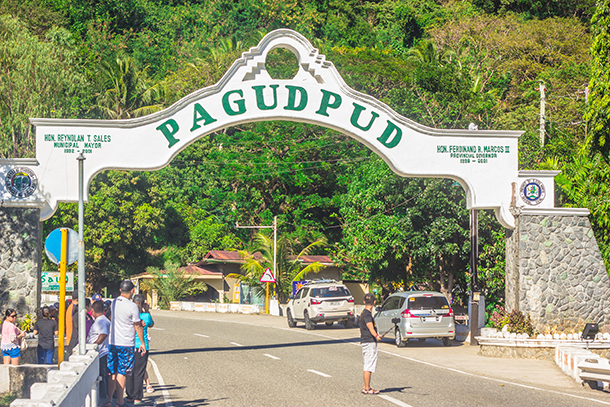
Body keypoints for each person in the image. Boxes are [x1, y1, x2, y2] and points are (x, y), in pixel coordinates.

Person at [104, 280, 146, 407]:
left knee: (112, 372)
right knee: (122, 372)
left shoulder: (114, 302)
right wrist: (142, 343)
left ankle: (109, 399)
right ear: (132, 291)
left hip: (112, 342)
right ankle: (120, 401)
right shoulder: (132, 306)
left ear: (120, 290)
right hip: (126, 343)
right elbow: (137, 325)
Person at [126, 294, 154, 404]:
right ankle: (137, 397)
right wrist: (146, 310)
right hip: (142, 346)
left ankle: (129, 395)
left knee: (129, 371)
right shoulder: (146, 316)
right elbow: (151, 324)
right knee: (139, 372)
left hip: (130, 345)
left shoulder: (130, 315)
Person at [87, 300, 111, 401]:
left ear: (92, 310)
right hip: (101, 352)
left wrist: (94, 345)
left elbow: (103, 334)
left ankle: (102, 398)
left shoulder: (101, 321)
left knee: (101, 377)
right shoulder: (103, 320)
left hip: (101, 353)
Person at [359, 293, 382, 394]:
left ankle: (366, 386)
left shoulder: (363, 313)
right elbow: (370, 327)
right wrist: (376, 336)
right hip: (369, 342)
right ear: (374, 302)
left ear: (364, 302)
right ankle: (367, 388)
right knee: (369, 365)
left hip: (365, 341)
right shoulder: (367, 315)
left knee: (368, 364)